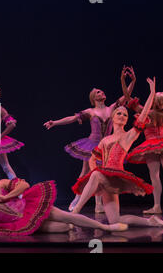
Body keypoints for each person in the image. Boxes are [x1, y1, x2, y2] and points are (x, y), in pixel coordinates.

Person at [72, 77, 163, 228]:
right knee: (115, 221)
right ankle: (151, 222)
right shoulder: (105, 140)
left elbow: (144, 114)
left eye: (125, 115)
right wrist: (95, 176)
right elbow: (93, 158)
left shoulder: (129, 135)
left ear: (127, 121)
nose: (122, 116)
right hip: (104, 178)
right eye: (119, 113)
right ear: (113, 117)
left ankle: (74, 215)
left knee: (96, 174)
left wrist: (152, 94)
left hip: (115, 178)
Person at [43, 66, 135, 212]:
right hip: (92, 144)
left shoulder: (111, 108)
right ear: (93, 97)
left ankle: (99, 204)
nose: (102, 92)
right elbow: (72, 119)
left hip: (107, 144)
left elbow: (126, 95)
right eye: (98, 92)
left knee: (102, 172)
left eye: (102, 91)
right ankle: (77, 197)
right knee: (87, 171)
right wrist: (55, 122)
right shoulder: (90, 111)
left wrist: (132, 81)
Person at [0, 163, 128, 236]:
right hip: (16, 222)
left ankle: (106, 227)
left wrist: (6, 196)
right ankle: (70, 225)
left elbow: (24, 185)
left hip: (29, 208)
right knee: (61, 228)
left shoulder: (0, 183)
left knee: (67, 217)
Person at [125, 89, 163, 214]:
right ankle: (156, 207)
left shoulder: (146, 112)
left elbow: (128, 99)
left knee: (155, 177)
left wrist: (124, 81)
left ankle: (157, 206)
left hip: (150, 146)